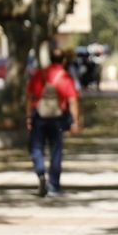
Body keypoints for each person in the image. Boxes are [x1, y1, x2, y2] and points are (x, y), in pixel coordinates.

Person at [25, 46, 80, 197]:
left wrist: (28, 117)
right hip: (57, 118)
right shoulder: (66, 77)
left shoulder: (39, 74)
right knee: (56, 151)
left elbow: (29, 97)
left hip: (39, 117)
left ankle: (40, 172)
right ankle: (54, 185)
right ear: (64, 60)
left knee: (36, 147)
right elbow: (72, 101)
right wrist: (75, 121)